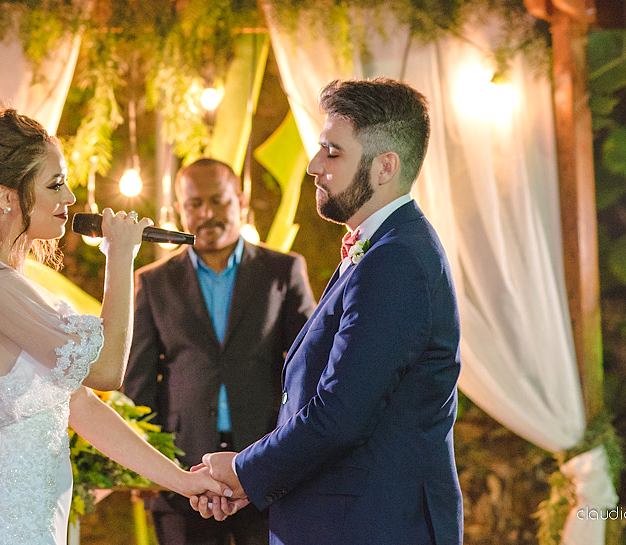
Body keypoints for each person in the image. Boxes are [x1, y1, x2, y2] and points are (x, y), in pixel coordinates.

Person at [0, 102, 229, 545]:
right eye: (55, 184)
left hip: (37, 523)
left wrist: (181, 479)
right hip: (6, 526)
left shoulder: (10, 284)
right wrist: (120, 260)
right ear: (6, 196)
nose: (69, 199)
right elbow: (107, 372)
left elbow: (80, 404)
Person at [194, 78, 464, 545]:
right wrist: (256, 481)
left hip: (373, 526)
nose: (314, 166)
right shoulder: (380, 247)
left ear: (385, 167)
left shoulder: (396, 260)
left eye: (332, 153)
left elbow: (339, 414)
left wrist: (244, 469)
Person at [123, 158, 315, 545]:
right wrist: (144, 467)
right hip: (181, 470)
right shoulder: (152, 283)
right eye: (195, 204)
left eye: (219, 201)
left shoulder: (283, 271)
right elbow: (138, 385)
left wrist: (295, 455)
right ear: (180, 209)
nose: (207, 213)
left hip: (265, 466)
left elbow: (306, 370)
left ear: (240, 201)